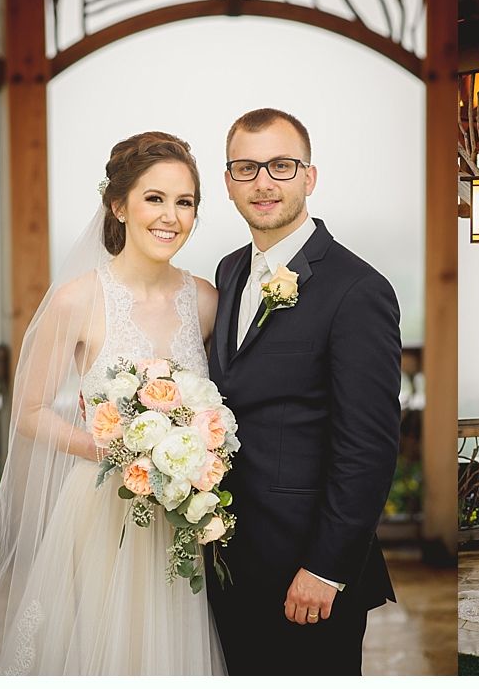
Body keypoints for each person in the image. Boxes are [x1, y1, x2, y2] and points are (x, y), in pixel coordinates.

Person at [0, 132, 226, 674]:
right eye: (154, 198)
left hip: (182, 519)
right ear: (119, 204)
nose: (170, 217)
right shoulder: (79, 299)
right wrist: (116, 451)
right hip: (101, 514)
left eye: (185, 202)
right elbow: (31, 409)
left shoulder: (205, 301)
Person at [204, 108, 401, 676]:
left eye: (281, 166)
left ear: (309, 177)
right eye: (247, 168)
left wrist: (326, 568)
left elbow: (369, 446)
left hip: (309, 577)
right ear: (229, 183)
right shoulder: (230, 271)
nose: (263, 182)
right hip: (229, 560)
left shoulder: (357, 288)